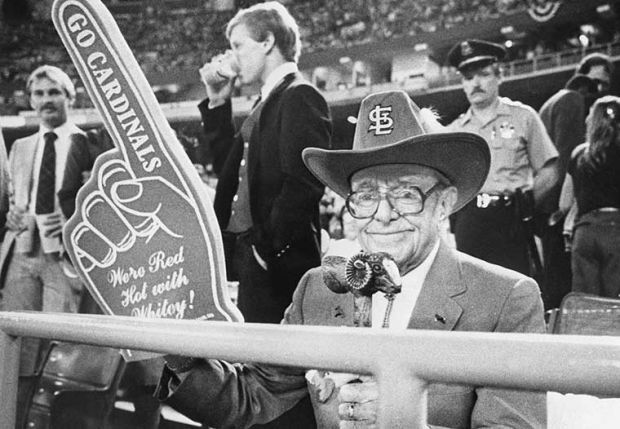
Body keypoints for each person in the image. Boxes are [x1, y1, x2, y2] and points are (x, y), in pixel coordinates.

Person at [156, 90, 546, 429]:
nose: (383, 214)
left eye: (407, 194)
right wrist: (179, 354)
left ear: (443, 204)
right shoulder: (318, 289)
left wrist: (405, 419)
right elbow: (250, 397)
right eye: (365, 196)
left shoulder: (504, 300)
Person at [197, 1, 332, 324]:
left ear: (268, 42)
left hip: (275, 264)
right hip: (254, 260)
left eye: (238, 46)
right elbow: (228, 171)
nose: (232, 57)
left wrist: (265, 250)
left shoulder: (300, 95)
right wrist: (217, 101)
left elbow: (304, 183)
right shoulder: (266, 100)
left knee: (274, 368)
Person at [0, 64, 84, 425]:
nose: (46, 100)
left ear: (70, 97)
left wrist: (72, 224)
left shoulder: (89, 143)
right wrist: (10, 219)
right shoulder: (20, 146)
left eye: (54, 92)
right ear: (31, 100)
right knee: (15, 347)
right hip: (22, 253)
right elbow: (11, 200)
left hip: (64, 258)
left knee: (57, 350)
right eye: (39, 94)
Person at [447, 39, 559, 277]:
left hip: (512, 217)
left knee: (516, 292)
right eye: (468, 78)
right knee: (471, 293)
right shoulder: (454, 131)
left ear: (500, 76)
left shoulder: (524, 117)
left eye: (483, 74)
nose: (475, 83)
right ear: (462, 85)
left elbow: (550, 171)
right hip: (470, 220)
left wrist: (525, 204)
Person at [538, 74, 597, 309]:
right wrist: (564, 207)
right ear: (583, 90)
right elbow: (566, 153)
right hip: (558, 206)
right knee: (564, 280)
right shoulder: (572, 100)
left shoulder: (549, 103)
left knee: (552, 275)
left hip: (544, 201)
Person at [559, 95, 620, 298]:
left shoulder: (578, 154)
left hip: (584, 233)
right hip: (616, 232)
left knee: (587, 304)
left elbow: (564, 204)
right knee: (614, 304)